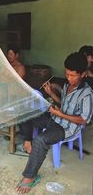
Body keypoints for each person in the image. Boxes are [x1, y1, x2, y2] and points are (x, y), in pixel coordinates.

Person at [16, 52, 93, 194]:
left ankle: (30, 177)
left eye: (72, 75)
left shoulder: (86, 93)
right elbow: (63, 103)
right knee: (26, 114)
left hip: (68, 127)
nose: (68, 78)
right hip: (57, 118)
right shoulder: (67, 84)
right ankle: (28, 141)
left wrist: (60, 114)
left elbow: (84, 119)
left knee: (41, 140)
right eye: (67, 74)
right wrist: (51, 93)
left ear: (82, 74)